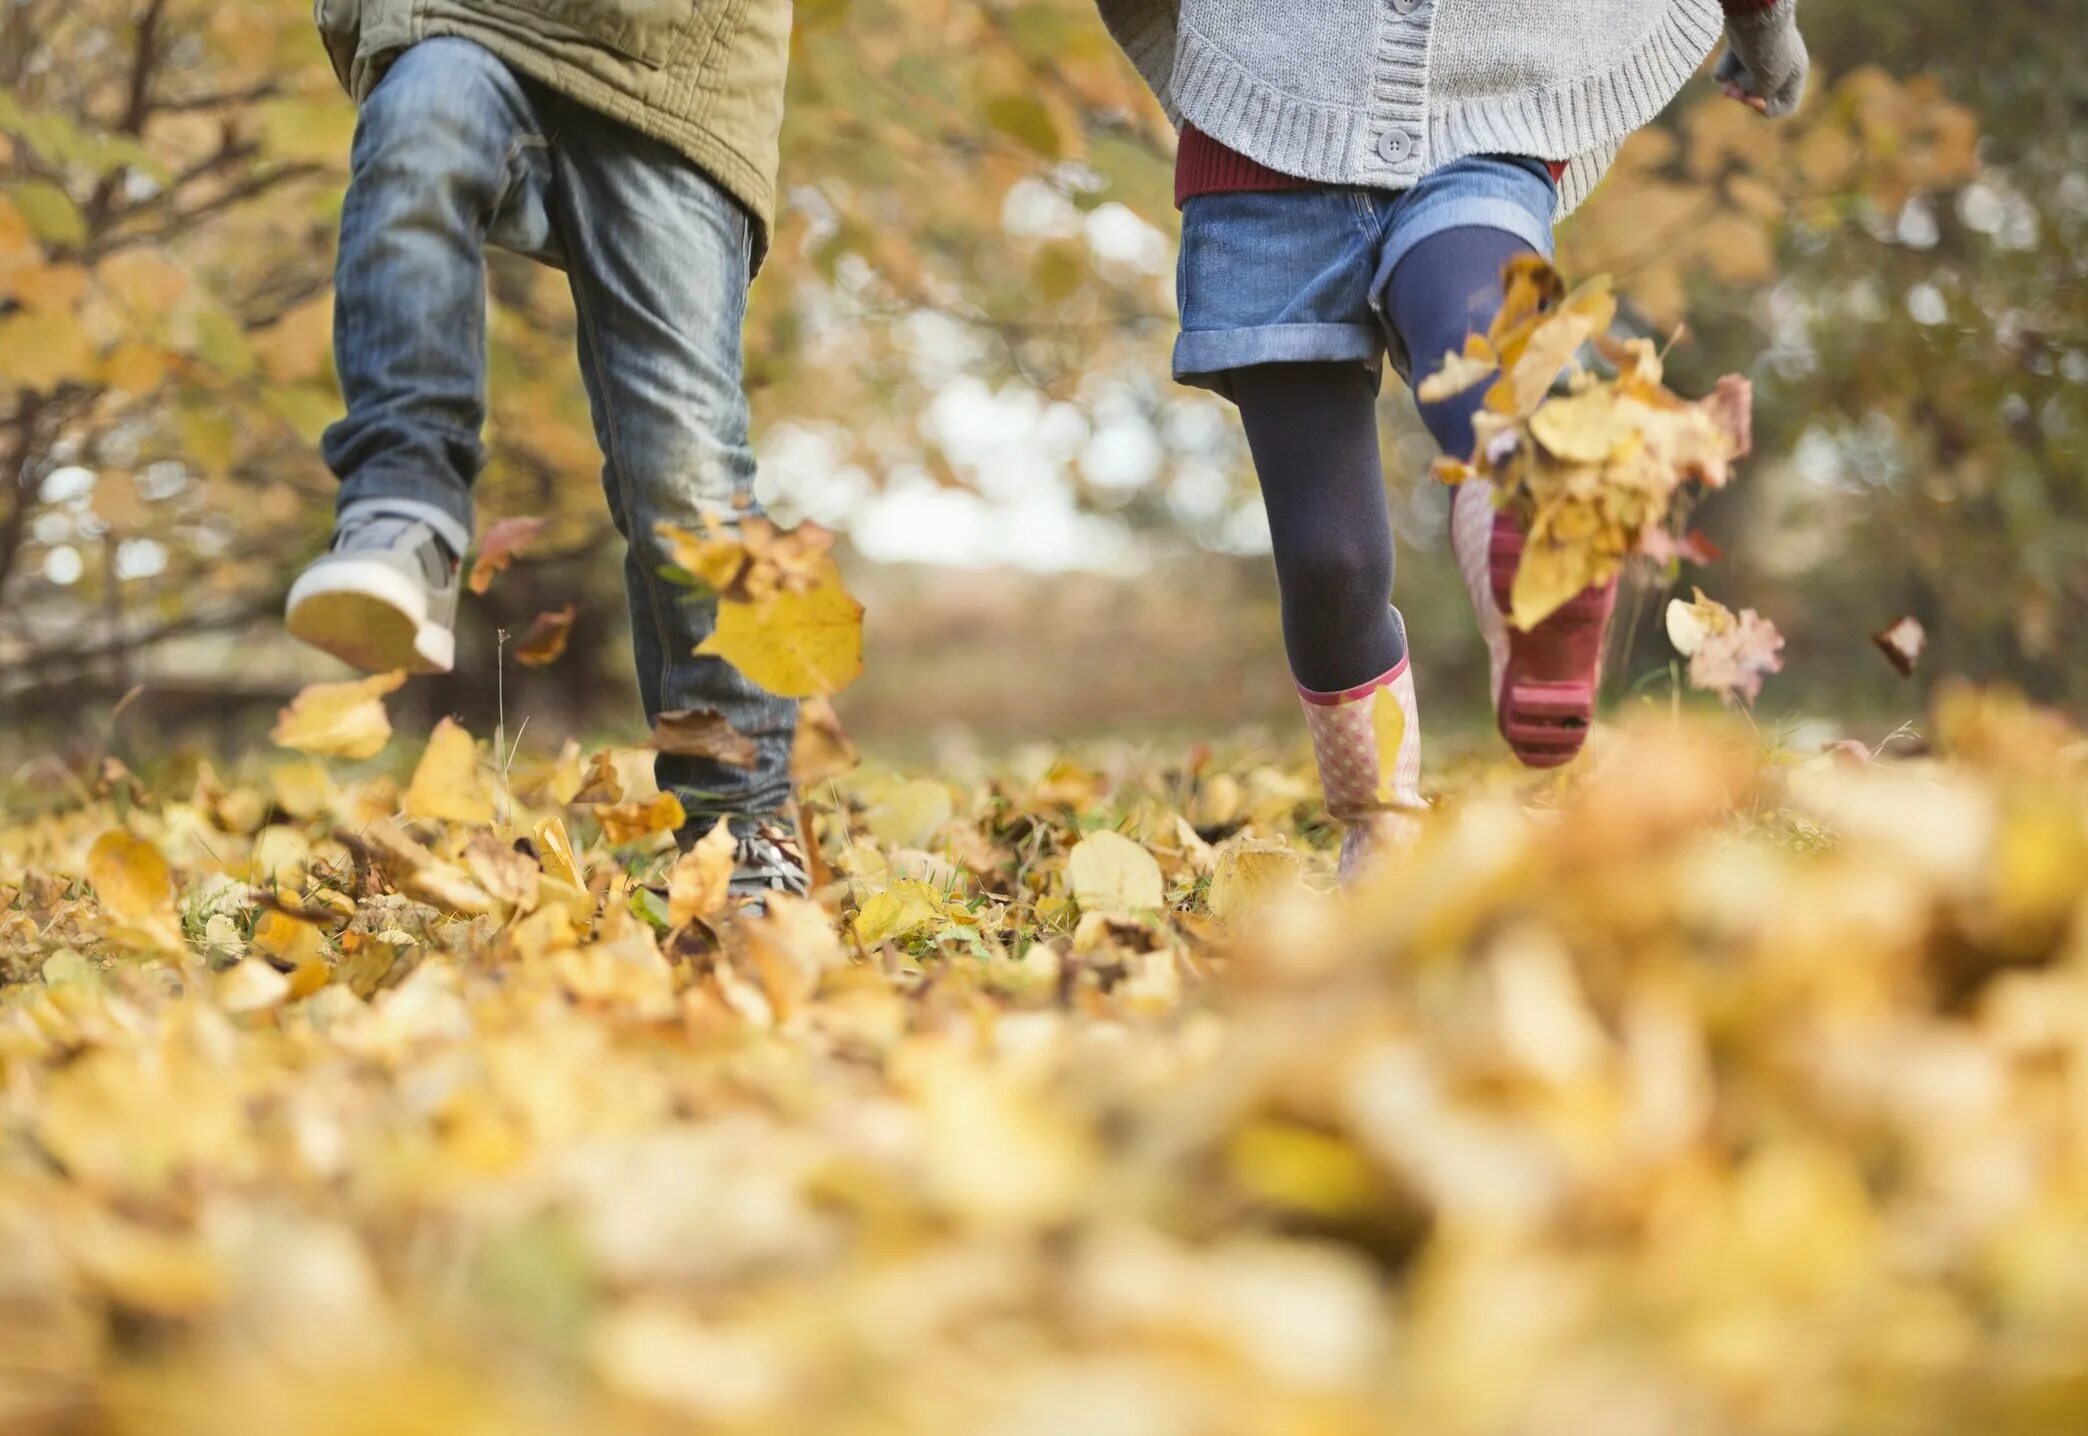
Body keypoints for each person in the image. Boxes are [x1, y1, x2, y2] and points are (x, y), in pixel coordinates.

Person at [1094, 0, 1808, 878]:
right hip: (1265, 127)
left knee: (1478, 347)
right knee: (1330, 563)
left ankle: (1534, 515)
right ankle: (1381, 824)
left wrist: (1763, 27)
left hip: (1488, 107)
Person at [283, 0, 807, 899]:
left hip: (676, 72)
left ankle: (743, 826)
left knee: (683, 473)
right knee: (418, 131)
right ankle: (403, 510)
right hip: (467, 17)